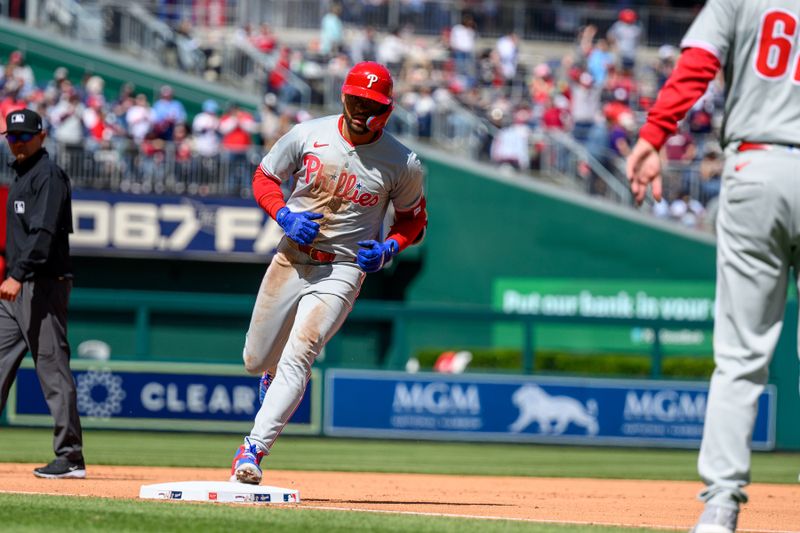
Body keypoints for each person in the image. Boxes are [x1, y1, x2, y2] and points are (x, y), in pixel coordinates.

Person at [625, 2, 800, 531]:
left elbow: (697, 66)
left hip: (757, 164)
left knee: (740, 354)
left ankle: (720, 505)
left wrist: (654, 135)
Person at [229, 62, 427, 484]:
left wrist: (390, 247)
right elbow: (265, 176)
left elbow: (414, 220)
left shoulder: (402, 162)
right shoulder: (308, 134)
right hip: (292, 255)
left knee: (301, 352)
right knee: (255, 359)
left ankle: (252, 451)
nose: (360, 109)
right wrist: (282, 214)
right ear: (343, 96)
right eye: (355, 99)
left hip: (343, 267)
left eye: (370, 103)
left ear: (387, 109)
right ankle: (269, 373)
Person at [0, 109, 84, 479]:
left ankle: (70, 457)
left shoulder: (47, 176)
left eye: (23, 136)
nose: (16, 141)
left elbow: (44, 234)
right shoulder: (22, 176)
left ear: (41, 136)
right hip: (17, 290)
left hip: (42, 285)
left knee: (52, 371)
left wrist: (17, 274)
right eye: (11, 136)